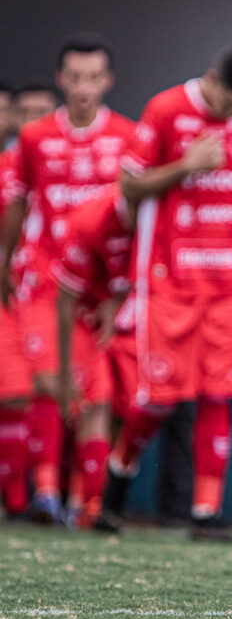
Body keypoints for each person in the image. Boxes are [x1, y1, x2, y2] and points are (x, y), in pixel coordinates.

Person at [102, 46, 232, 542]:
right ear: (211, 79)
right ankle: (117, 476)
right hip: (167, 281)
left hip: (223, 283)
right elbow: (127, 188)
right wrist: (185, 164)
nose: (231, 114)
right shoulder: (166, 109)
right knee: (158, 400)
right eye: (226, 103)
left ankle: (205, 512)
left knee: (220, 390)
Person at [1, 38, 133, 525]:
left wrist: (119, 290)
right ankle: (46, 497)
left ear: (107, 81)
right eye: (74, 77)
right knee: (44, 383)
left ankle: (89, 505)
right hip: (43, 278)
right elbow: (17, 202)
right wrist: (6, 261)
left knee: (97, 396)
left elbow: (133, 216)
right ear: (60, 79)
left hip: (97, 292)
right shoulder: (35, 138)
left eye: (93, 77)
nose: (83, 88)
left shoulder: (126, 136)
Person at [51, 185, 136, 528]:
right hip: (84, 316)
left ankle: (90, 501)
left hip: (131, 311)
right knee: (92, 402)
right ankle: (88, 505)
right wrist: (62, 367)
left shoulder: (164, 214)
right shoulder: (88, 222)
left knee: (131, 406)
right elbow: (65, 299)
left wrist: (117, 301)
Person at [0, 84, 56, 518]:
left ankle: (28, 502)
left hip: (36, 292)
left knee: (28, 395)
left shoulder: (53, 165)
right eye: (24, 111)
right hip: (13, 290)